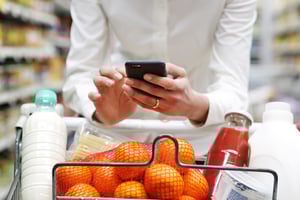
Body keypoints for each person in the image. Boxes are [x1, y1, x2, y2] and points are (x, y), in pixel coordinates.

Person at [63, 0, 257, 157]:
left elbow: (234, 90)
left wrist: (195, 106)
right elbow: (80, 76)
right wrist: (100, 111)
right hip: (115, 145)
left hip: (196, 150)